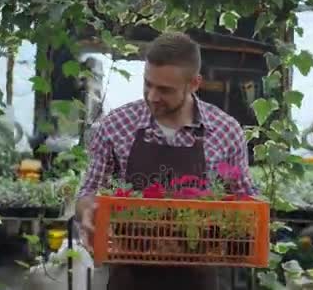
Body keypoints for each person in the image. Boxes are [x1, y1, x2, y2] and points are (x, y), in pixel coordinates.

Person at [74, 32, 256, 290]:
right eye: (148, 84)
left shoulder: (226, 131)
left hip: (197, 278)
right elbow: (89, 190)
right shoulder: (115, 125)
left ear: (194, 83)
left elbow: (245, 199)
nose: (152, 96)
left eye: (165, 89)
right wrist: (88, 212)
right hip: (130, 274)